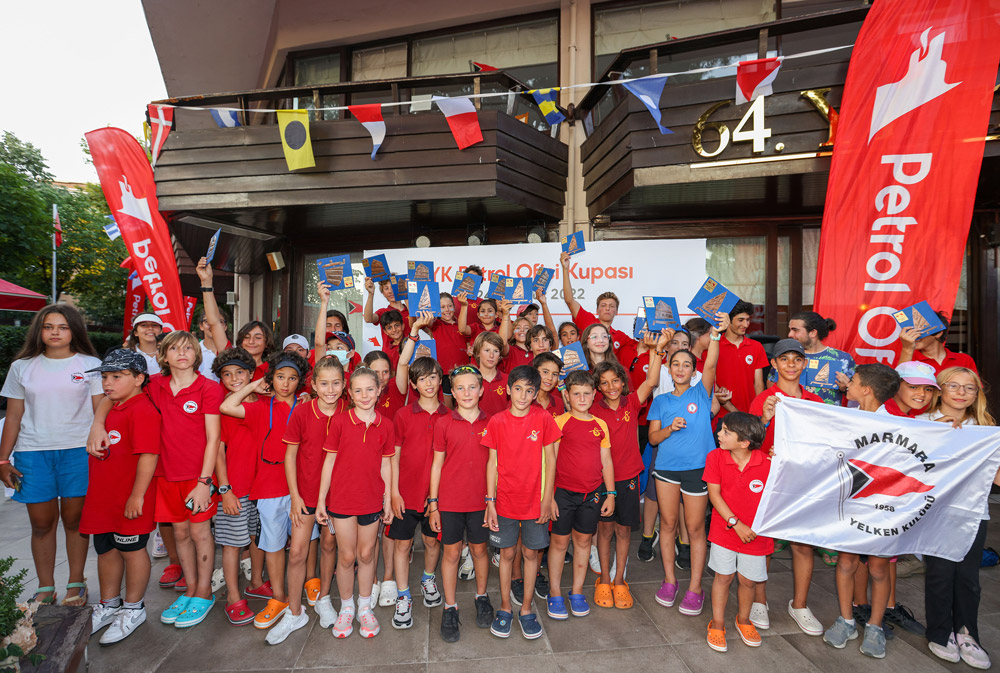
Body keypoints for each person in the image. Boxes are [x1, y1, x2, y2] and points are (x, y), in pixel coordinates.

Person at [0, 304, 102, 606]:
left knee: (74, 520)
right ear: (39, 331)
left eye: (62, 327)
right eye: (48, 327)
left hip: (78, 451)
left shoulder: (91, 364)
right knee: (41, 523)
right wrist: (3, 460)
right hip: (33, 453)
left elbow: (101, 412)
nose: (55, 332)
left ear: (74, 331)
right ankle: (45, 587)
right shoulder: (22, 367)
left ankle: (76, 583)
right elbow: (13, 416)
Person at [220, 350, 309, 633]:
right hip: (270, 486)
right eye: (280, 377)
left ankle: (306, 587)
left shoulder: (306, 406)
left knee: (304, 544)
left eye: (292, 378)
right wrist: (253, 386)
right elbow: (227, 406)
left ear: (300, 381)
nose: (286, 383)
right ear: (271, 378)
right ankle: (279, 597)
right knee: (273, 544)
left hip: (302, 485)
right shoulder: (262, 406)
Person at [646, 311, 728, 617]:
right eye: (676, 364)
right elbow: (653, 438)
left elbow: (712, 364)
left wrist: (716, 335)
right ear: (669, 369)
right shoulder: (661, 401)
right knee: (667, 525)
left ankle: (695, 588)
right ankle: (669, 581)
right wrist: (670, 428)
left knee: (694, 529)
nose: (681, 368)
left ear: (694, 371)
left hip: (697, 470)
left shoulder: (701, 393)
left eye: (687, 365)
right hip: (666, 470)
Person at [919, 367, 998, 669]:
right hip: (934, 511)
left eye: (969, 388)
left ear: (977, 394)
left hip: (973, 512)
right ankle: (940, 632)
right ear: (939, 390)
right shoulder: (922, 423)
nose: (961, 392)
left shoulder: (985, 427)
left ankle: (967, 633)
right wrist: (936, 435)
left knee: (968, 577)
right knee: (940, 574)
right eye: (953, 385)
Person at [267, 355, 348, 644]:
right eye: (324, 383)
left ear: (344, 384)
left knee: (329, 546)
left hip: (338, 495)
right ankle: (294, 612)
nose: (330, 389)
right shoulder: (302, 412)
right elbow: (290, 456)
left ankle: (324, 598)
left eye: (336, 383)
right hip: (306, 496)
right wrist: (295, 496)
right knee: (298, 552)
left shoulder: (349, 411)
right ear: (313, 385)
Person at [823, 363, 901, 658]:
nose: (848, 384)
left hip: (881, 506)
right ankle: (846, 620)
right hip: (851, 503)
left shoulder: (896, 425)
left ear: (866, 390)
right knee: (846, 562)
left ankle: (875, 626)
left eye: (853, 381)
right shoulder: (848, 417)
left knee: (879, 567)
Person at [82, 350, 160, 645]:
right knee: (105, 549)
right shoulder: (112, 404)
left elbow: (149, 456)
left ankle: (134, 607)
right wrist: (97, 423)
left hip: (130, 497)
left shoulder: (143, 410)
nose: (108, 383)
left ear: (139, 379)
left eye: (117, 376)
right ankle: (109, 603)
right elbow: (104, 401)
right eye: (104, 377)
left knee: (132, 549)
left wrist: (137, 496)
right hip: (103, 496)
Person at [590, 330, 668, 610]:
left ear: (623, 382)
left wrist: (658, 350)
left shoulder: (632, 402)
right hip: (601, 480)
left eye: (615, 381)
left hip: (629, 478)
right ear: (598, 387)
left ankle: (619, 579)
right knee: (604, 531)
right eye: (604, 383)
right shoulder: (593, 409)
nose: (611, 386)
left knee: (624, 532)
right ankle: (603, 579)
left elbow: (652, 381)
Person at [316, 366, 395, 639]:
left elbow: (386, 465)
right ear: (349, 393)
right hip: (342, 501)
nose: (364, 395)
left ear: (379, 390)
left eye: (370, 389)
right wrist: (321, 500)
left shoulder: (386, 425)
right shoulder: (340, 422)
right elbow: (329, 462)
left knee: (366, 554)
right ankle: (347, 607)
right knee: (347, 556)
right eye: (358, 390)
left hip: (371, 501)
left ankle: (364, 607)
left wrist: (387, 500)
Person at [483, 365, 561, 640]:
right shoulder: (497, 421)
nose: (523, 396)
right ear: (508, 389)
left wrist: (547, 498)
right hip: (504, 501)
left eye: (529, 391)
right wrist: (490, 501)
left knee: (530, 554)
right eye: (518, 389)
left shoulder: (543, 418)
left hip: (535, 502)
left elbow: (551, 460)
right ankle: (505, 607)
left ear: (536, 393)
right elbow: (491, 463)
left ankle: (526, 609)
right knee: (506, 554)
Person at [751, 339, 823, 634]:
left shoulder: (815, 402)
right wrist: (765, 420)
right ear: (774, 364)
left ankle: (800, 604)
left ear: (804, 363)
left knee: (802, 545)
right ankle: (759, 600)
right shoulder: (764, 399)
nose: (791, 364)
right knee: (763, 544)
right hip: (770, 480)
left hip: (802, 482)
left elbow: (824, 444)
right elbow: (749, 444)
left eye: (797, 359)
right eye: (785, 359)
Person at [427, 365, 495, 642]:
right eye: (460, 388)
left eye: (472, 387)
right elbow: (436, 465)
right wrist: (433, 504)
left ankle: (481, 596)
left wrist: (492, 500)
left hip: (481, 501)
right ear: (452, 393)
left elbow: (495, 464)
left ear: (481, 390)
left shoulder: (492, 422)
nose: (467, 393)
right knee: (452, 553)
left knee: (479, 550)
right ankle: (450, 607)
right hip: (450, 502)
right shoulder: (443, 423)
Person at [389, 314, 447, 630]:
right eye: (422, 378)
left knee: (433, 543)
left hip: (436, 498)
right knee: (402, 545)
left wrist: (437, 498)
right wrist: (393, 493)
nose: (428, 383)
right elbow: (394, 457)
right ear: (413, 384)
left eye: (433, 377)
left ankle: (427, 579)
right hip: (405, 495)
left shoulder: (449, 416)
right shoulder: (402, 414)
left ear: (440, 380)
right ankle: (402, 595)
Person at [545, 370, 616, 621]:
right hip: (562, 493)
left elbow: (606, 461)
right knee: (559, 543)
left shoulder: (600, 425)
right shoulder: (559, 422)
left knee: (584, 542)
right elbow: (550, 461)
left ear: (595, 394)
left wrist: (611, 494)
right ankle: (555, 592)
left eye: (587, 393)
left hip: (592, 494)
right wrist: (549, 497)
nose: (582, 398)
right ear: (567, 395)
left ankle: (576, 591)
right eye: (577, 394)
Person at [703, 412, 770, 652]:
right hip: (724, 530)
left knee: (748, 580)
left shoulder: (768, 463)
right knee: (723, 577)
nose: (719, 434)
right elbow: (714, 495)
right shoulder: (715, 457)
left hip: (755, 535)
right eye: (721, 429)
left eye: (726, 432)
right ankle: (717, 623)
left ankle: (743, 620)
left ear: (744, 442)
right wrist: (735, 523)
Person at [212, 347, 265, 626]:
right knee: (232, 544)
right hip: (236, 488)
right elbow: (218, 452)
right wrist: (225, 489)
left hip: (261, 486)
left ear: (251, 374)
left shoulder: (263, 402)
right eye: (227, 374)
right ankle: (233, 597)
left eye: (239, 372)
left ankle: (256, 582)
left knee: (257, 537)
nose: (234, 379)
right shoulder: (224, 406)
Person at [559, 252, 635, 358]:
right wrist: (565, 269)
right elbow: (569, 300)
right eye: (603, 305)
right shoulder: (587, 320)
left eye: (611, 306)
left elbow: (643, 346)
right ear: (597, 310)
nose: (607, 308)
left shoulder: (621, 337)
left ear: (616, 311)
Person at [778, 311, 855, 405]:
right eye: (790, 330)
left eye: (795, 330)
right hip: (793, 412)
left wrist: (845, 387)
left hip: (828, 413)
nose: (790, 334)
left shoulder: (842, 358)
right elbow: (771, 384)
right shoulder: (785, 356)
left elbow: (858, 395)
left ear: (813, 333)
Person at [714, 300, 766, 422]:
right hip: (722, 417)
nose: (746, 325)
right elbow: (711, 382)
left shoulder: (756, 347)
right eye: (741, 320)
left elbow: (758, 384)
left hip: (750, 416)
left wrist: (758, 413)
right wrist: (736, 413)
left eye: (748, 320)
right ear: (728, 320)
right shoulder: (714, 346)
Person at [898, 312, 978, 375]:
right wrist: (907, 349)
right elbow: (898, 387)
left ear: (938, 333)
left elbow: (974, 388)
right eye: (910, 332)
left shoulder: (964, 360)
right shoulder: (906, 358)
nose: (914, 336)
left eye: (919, 331)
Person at [364, 276, 410, 349]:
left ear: (400, 288)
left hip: (412, 353)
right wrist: (370, 294)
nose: (390, 291)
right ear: (383, 293)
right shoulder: (383, 312)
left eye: (393, 287)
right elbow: (368, 319)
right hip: (389, 354)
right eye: (386, 288)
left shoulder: (411, 311)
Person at [472, 331, 509, 417]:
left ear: (500, 355)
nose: (491, 355)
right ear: (478, 353)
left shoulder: (508, 380)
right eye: (487, 350)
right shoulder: (470, 380)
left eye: (496, 351)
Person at [532, 352, 565, 419]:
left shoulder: (559, 403)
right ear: (535, 371)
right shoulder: (524, 400)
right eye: (545, 372)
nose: (550, 378)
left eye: (554, 374)